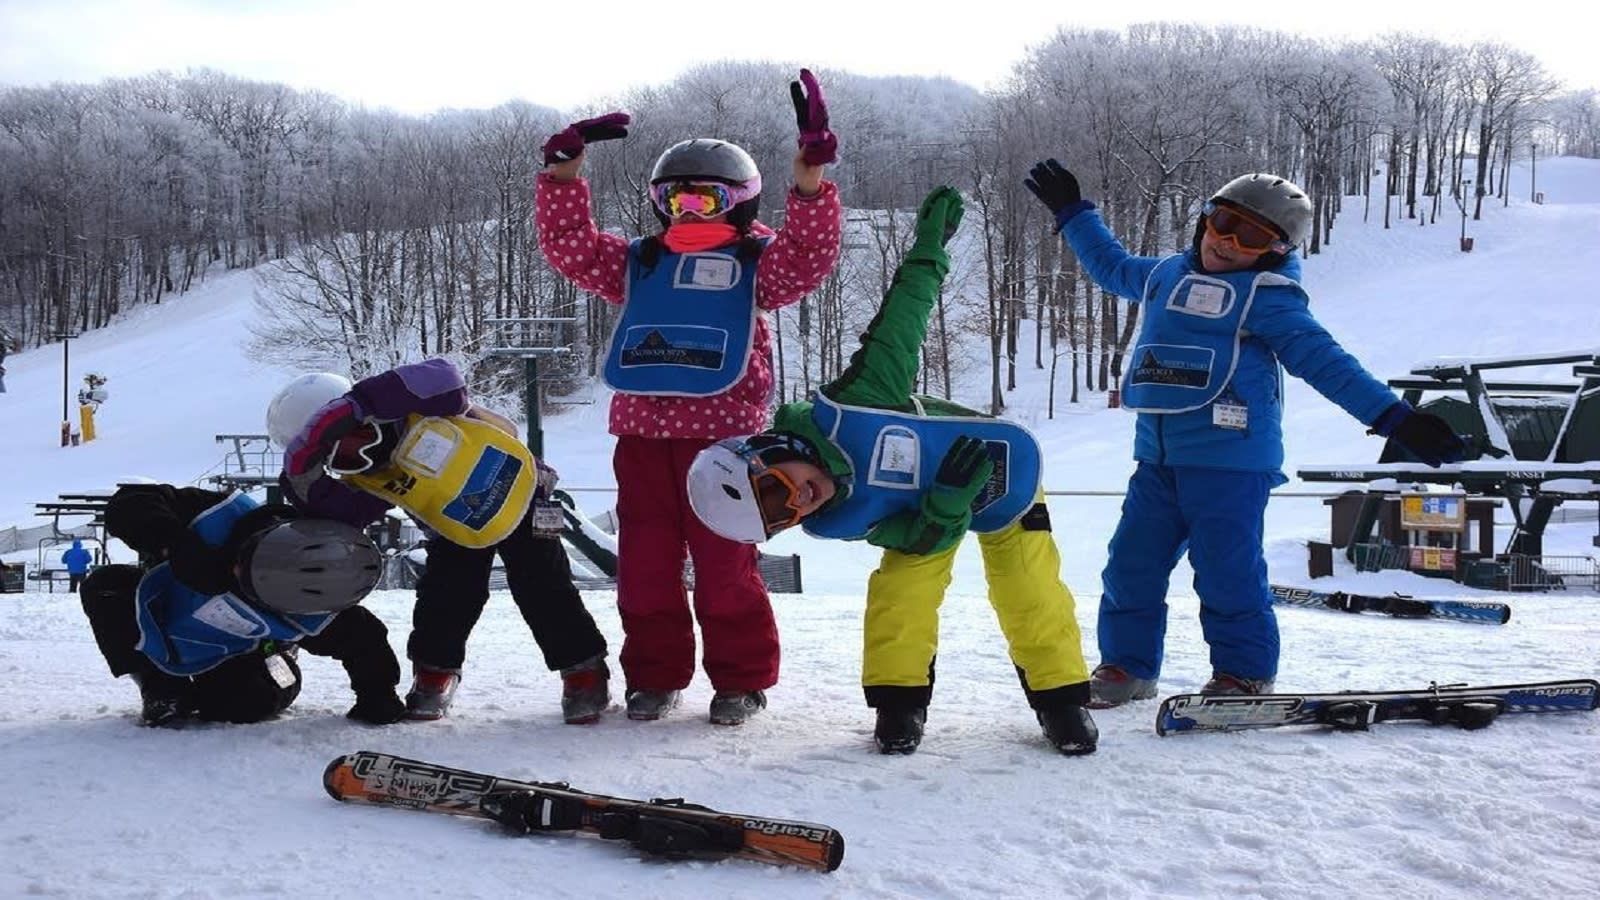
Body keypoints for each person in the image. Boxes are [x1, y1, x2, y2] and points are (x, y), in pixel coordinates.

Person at [1023, 160, 1468, 706]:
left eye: (1253, 236)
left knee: (1226, 572)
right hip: (1158, 460)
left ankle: (1244, 672)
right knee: (1130, 567)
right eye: (1222, 223)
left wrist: (1396, 418)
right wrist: (1074, 214)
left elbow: (1324, 362)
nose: (1229, 243)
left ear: (1276, 251)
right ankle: (1128, 667)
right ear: (1203, 221)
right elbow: (1110, 266)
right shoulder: (1166, 274)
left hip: (1232, 462)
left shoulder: (1268, 298)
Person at [685, 187, 1098, 756]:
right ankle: (899, 706)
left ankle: (1062, 702)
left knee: (1029, 585)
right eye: (782, 517)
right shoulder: (835, 520)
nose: (800, 502)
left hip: (999, 470)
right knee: (901, 591)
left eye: (779, 488)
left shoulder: (858, 401)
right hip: (931, 510)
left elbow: (905, 317)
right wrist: (945, 509)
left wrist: (929, 247)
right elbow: (912, 537)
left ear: (772, 447)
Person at [534, 69, 843, 725]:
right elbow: (572, 249)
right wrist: (562, 179)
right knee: (645, 569)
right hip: (644, 438)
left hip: (725, 443)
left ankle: (740, 680)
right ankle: (655, 675)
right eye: (674, 202)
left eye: (704, 201)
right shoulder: (644, 261)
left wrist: (810, 181)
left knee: (725, 568)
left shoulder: (756, 263)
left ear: (740, 201)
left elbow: (808, 260)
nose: (687, 214)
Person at [269, 359, 610, 724]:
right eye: (340, 458)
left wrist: (360, 402)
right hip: (454, 525)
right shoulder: (370, 477)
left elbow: (446, 379)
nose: (360, 455)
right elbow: (345, 513)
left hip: (522, 492)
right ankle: (435, 670)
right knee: (447, 593)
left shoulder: (419, 407)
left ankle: (582, 669)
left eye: (355, 436)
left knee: (544, 584)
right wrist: (301, 480)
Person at [79, 482, 402, 727]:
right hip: (164, 603)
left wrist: (379, 697)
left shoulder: (313, 612)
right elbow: (129, 502)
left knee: (247, 704)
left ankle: (279, 658)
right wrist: (176, 545)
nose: (236, 575)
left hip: (241, 650)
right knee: (105, 588)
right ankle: (160, 687)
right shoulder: (220, 514)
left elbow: (367, 641)